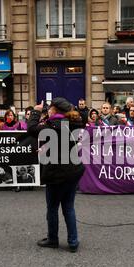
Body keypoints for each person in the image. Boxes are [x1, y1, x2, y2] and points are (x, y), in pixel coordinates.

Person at [27, 97, 85, 252]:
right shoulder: (75, 122)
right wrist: (48, 146)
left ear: (55, 110)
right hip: (73, 170)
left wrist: (36, 112)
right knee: (68, 207)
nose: (48, 110)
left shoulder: (52, 125)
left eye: (50, 108)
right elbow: (61, 142)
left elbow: (31, 129)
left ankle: (53, 239)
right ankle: (73, 241)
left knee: (52, 207)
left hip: (57, 172)